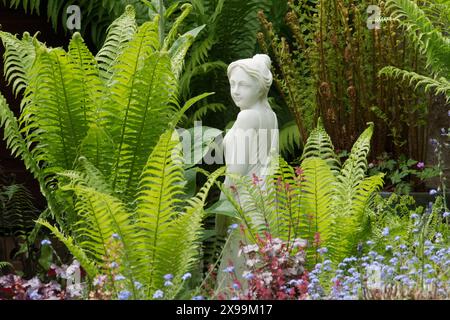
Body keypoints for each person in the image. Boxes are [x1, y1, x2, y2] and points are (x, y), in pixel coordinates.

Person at [215, 54, 279, 293]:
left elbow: (236, 171)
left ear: (260, 87)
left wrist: (223, 207)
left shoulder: (246, 117)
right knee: (259, 264)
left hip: (244, 201)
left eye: (243, 85)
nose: (236, 91)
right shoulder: (270, 115)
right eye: (233, 84)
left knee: (238, 267)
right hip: (265, 200)